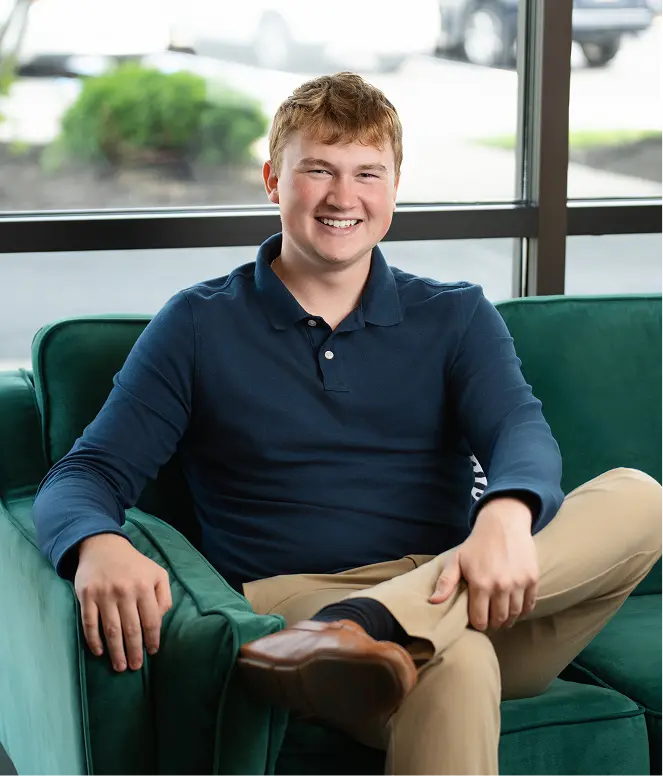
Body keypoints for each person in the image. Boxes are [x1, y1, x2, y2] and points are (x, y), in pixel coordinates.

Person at [33, 71, 663, 776]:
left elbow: (518, 432)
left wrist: (505, 517)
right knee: (450, 664)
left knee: (639, 497)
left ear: (394, 187)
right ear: (274, 180)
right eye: (318, 170)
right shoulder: (199, 324)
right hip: (297, 603)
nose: (343, 196)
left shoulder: (453, 314)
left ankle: (368, 629)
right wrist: (95, 544)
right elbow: (86, 473)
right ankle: (358, 638)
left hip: (462, 586)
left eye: (368, 173)